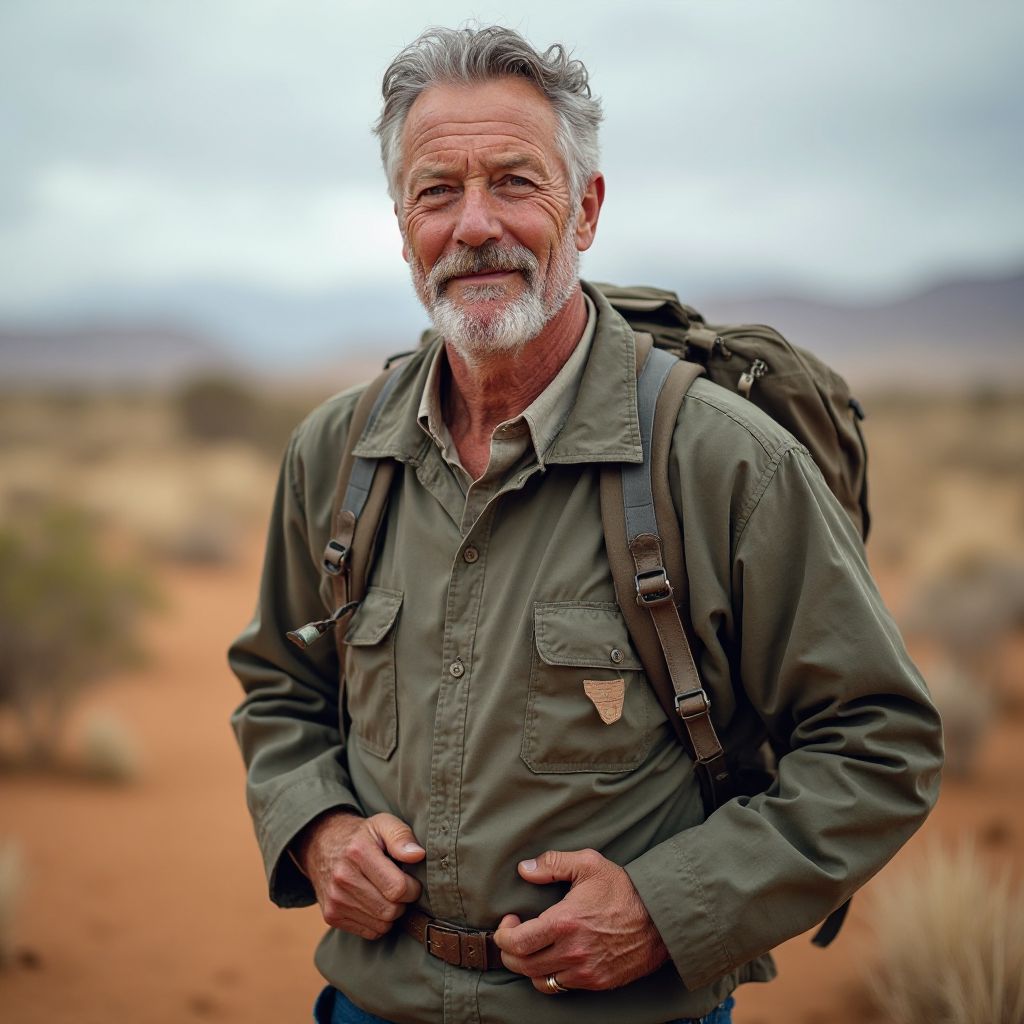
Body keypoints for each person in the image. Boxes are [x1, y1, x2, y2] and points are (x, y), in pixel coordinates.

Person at [228, 25, 943, 1024]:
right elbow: (283, 678)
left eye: (515, 182)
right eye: (437, 191)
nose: (475, 224)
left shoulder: (722, 462)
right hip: (371, 1002)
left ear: (586, 208)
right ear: (401, 224)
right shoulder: (335, 455)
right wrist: (316, 826)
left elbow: (878, 740)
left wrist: (666, 907)